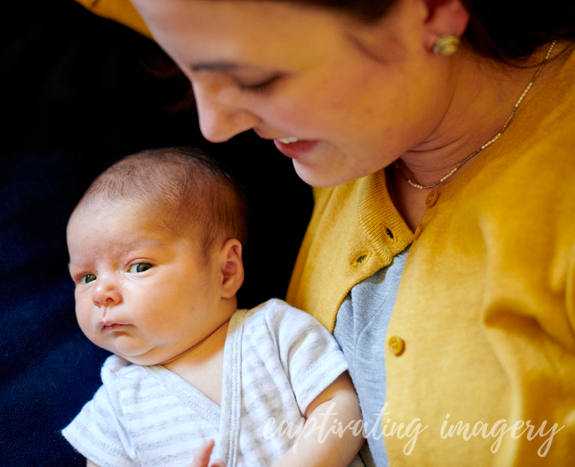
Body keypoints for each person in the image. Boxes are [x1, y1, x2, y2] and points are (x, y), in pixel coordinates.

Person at [75, 0, 575, 465]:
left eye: (255, 77)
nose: (215, 127)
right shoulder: (357, 141)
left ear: (432, 11)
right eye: (188, 70)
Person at [61, 148, 367, 467]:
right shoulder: (114, 408)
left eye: (138, 267)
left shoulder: (275, 332)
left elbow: (342, 408)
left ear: (226, 271)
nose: (100, 292)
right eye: (86, 277)